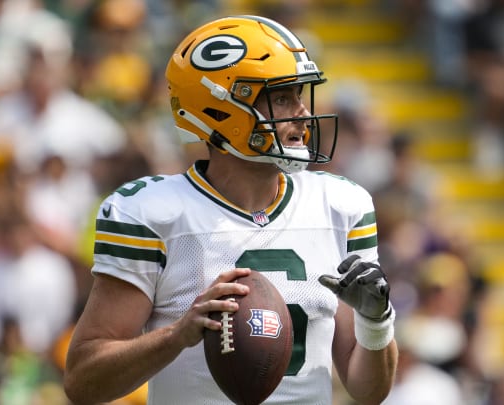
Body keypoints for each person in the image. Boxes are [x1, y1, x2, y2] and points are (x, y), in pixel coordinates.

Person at [63, 15, 398, 405]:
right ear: (223, 107)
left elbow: (369, 391)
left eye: (300, 96)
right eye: (283, 97)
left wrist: (376, 321)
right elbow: (84, 381)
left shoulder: (341, 206)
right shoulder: (152, 214)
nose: (303, 115)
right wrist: (176, 336)